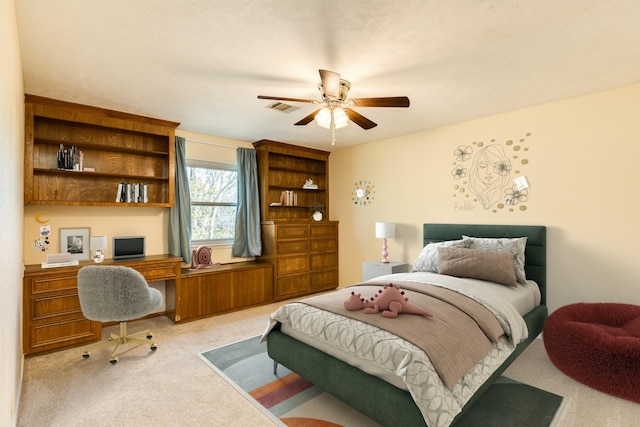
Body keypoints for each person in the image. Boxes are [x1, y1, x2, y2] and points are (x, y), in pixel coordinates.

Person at [468, 144, 512, 209]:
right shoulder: (475, 191)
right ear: (476, 168)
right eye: (483, 166)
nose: (488, 172)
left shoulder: (508, 191)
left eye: (495, 166)